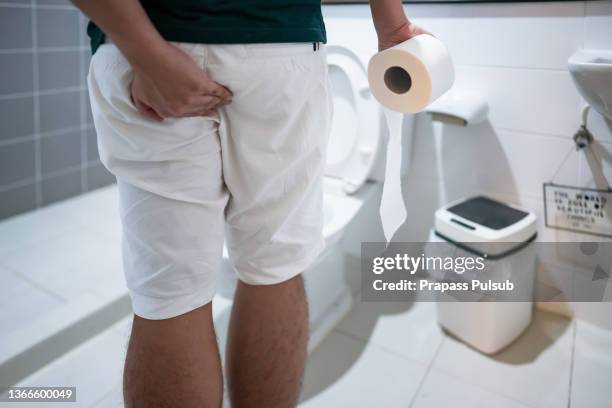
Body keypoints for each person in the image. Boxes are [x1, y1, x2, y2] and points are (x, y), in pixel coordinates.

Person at [70, 0, 428, 406]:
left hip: (146, 40)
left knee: (171, 291)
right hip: (279, 44)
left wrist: (148, 57)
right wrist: (393, 26)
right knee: (275, 270)